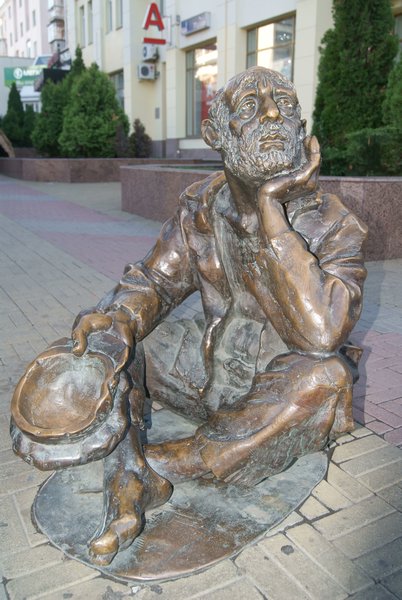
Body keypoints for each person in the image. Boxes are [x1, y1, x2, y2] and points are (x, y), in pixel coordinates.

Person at [39, 67, 371, 564]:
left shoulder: (334, 223)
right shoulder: (201, 205)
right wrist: (117, 320)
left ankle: (158, 462)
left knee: (327, 377)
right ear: (218, 134)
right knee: (125, 335)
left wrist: (270, 212)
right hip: (207, 374)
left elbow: (321, 332)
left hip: (277, 393)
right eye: (251, 108)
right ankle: (137, 475)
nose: (274, 115)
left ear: (304, 130)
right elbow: (153, 283)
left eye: (284, 104)